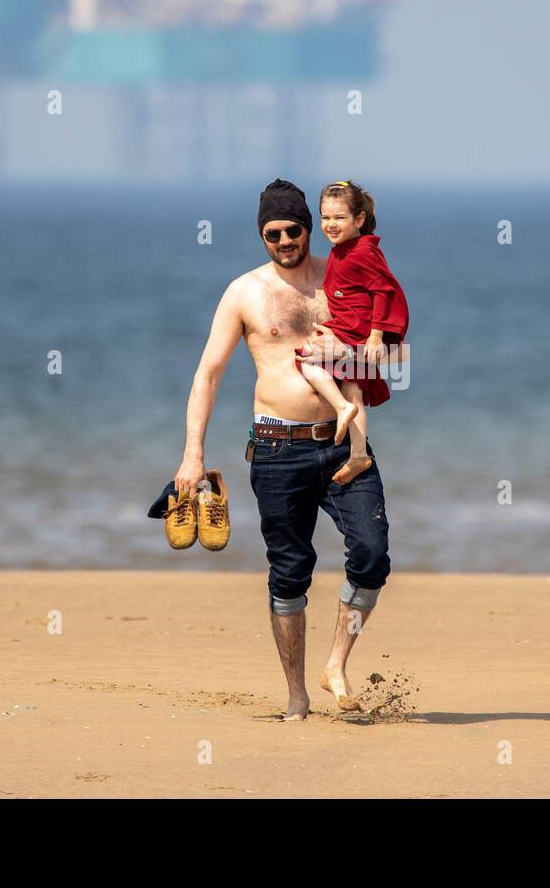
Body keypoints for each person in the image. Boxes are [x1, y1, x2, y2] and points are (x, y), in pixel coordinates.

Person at [173, 179, 391, 720]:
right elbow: (208, 374)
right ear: (262, 235)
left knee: (371, 554)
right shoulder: (244, 292)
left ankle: (336, 663)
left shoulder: (342, 277)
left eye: (294, 229)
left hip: (344, 446)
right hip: (277, 449)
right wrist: (191, 456)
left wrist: (353, 352)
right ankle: (297, 694)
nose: (285, 240)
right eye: (273, 233)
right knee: (290, 571)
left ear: (309, 228)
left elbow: (390, 358)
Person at [291, 180, 408, 484]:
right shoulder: (344, 250)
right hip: (354, 327)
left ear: (359, 220)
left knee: (306, 359)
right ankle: (358, 454)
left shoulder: (362, 253)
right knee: (353, 387)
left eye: (339, 218)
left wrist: (376, 335)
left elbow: (384, 290)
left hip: (355, 328)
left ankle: (340, 408)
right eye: (325, 218)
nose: (331, 224)